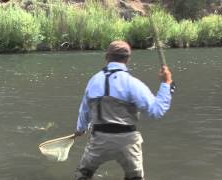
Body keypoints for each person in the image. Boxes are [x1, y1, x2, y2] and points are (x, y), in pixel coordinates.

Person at [74, 40, 174, 180]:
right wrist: (166, 84)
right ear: (127, 59)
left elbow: (84, 111)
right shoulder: (132, 83)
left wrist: (81, 128)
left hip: (99, 140)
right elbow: (156, 111)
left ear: (106, 57)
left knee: (82, 175)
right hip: (127, 141)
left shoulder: (93, 81)